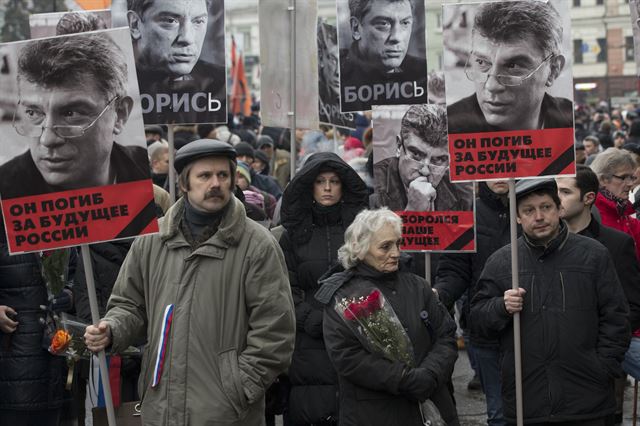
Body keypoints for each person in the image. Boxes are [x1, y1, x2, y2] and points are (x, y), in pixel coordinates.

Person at [84, 139, 296, 425]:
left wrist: (238, 388)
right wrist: (112, 329)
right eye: (204, 176)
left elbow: (275, 331)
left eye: (223, 175)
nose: (216, 183)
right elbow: (129, 304)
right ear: (184, 184)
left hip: (226, 414)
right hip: (161, 409)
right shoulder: (152, 239)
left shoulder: (257, 245)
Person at [471, 178, 630, 425]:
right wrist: (501, 307)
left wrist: (602, 366)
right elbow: (478, 322)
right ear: (517, 218)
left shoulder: (594, 255)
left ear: (558, 209)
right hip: (528, 402)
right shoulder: (502, 262)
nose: (539, 216)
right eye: (528, 210)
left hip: (588, 402)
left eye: (545, 207)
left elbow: (616, 317)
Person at [314, 208, 459, 426]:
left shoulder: (418, 285)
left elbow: (445, 336)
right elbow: (346, 356)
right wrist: (402, 378)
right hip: (373, 412)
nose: (396, 253)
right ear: (360, 249)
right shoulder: (343, 296)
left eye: (398, 244)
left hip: (431, 402)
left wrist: (429, 374)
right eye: (385, 247)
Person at [0, 33, 149, 200]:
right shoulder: (4, 192)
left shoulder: (148, 172)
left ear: (120, 114)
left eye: (71, 113)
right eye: (33, 113)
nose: (47, 140)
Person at [278, 152, 369, 425]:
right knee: (312, 410)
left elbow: (373, 280)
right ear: (310, 186)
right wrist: (311, 319)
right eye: (320, 181)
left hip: (357, 335)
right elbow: (283, 287)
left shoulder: (362, 233)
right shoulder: (291, 235)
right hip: (308, 341)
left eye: (333, 181)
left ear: (344, 185)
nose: (327, 188)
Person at [556, 165, 640, 424]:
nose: (555, 198)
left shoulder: (615, 244)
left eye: (565, 191)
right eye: (554, 190)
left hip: (594, 368)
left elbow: (631, 308)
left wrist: (601, 355)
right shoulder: (540, 242)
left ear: (588, 198)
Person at [434, 180, 513, 426]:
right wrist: (439, 295)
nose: (499, 175)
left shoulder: (535, 208)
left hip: (534, 327)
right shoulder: (467, 212)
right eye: (493, 168)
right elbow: (455, 270)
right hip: (486, 326)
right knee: (499, 412)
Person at [447, 1, 573, 133]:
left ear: (553, 70)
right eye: (481, 62)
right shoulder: (449, 128)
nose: (491, 86)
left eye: (513, 66)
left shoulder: (568, 120)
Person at [0, 217, 73, 426]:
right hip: (12, 369)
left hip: (55, 364)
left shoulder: (58, 228)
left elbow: (78, 275)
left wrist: (69, 294)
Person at [126, 0, 226, 124]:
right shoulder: (111, 82)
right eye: (170, 21)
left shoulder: (218, 82)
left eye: (198, 21)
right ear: (135, 25)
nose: (187, 38)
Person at [372, 104, 473, 211]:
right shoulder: (372, 185)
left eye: (439, 160)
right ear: (398, 146)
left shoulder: (464, 193)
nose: (425, 171)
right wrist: (413, 210)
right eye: (416, 154)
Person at [339, 0, 428, 111]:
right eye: (383, 24)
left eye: (405, 23)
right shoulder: (335, 77)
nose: (397, 37)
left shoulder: (425, 74)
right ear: (356, 28)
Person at [591, 148, 640, 262]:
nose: (630, 184)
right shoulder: (592, 215)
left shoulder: (623, 212)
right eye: (624, 177)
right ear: (602, 179)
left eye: (631, 177)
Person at [318, 20, 354, 128]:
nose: (338, 72)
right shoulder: (314, 103)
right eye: (333, 60)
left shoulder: (349, 99)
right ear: (321, 58)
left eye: (343, 61)